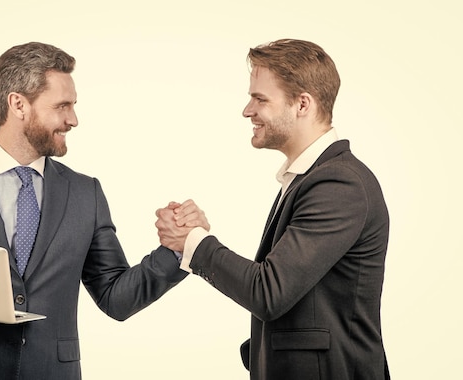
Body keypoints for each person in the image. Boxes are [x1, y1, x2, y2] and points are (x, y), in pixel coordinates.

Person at [0, 41, 208, 379]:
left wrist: (175, 249)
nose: (73, 119)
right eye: (62, 106)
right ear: (18, 104)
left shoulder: (85, 193)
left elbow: (116, 297)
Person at [156, 39, 390, 380]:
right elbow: (290, 286)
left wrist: (192, 241)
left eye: (260, 99)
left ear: (302, 104)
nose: (247, 110)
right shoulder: (307, 178)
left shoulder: (339, 184)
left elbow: (269, 292)